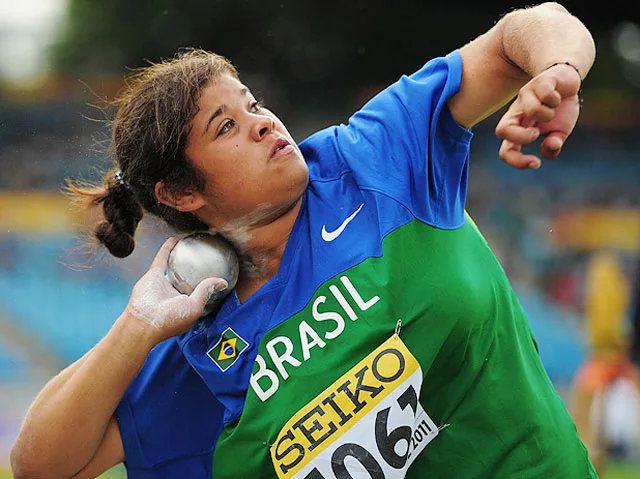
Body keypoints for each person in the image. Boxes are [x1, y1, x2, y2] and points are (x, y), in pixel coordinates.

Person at [11, 2, 597, 478]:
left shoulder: (372, 157)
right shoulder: (206, 338)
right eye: (227, 128)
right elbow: (39, 465)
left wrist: (558, 70)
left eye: (253, 104)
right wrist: (137, 326)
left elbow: (529, 28)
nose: (264, 122)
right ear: (182, 194)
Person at [571, 249, 640, 474]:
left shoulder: (601, 280)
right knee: (594, 425)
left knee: (592, 423)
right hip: (606, 360)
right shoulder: (606, 278)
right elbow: (606, 326)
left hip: (603, 359)